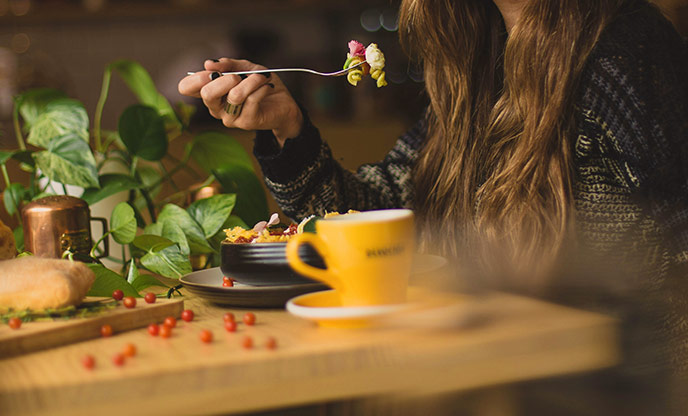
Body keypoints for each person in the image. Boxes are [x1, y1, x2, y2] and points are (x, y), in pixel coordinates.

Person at [180, 0, 687, 413]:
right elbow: (380, 214)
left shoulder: (626, 48)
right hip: (491, 369)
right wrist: (286, 128)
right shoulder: (479, 56)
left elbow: (663, 255)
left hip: (600, 387)